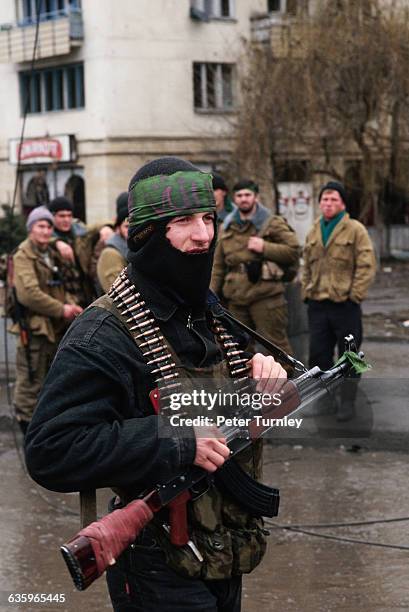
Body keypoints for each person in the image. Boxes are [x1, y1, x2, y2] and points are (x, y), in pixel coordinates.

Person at [25, 158, 286, 612]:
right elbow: (51, 448)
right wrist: (178, 441)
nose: (204, 235)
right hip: (155, 560)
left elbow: (232, 401)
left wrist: (260, 373)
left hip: (223, 551)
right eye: (183, 221)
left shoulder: (208, 316)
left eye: (207, 218)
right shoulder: (104, 335)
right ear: (145, 234)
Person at [301, 181, 376, 419]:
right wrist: (306, 291)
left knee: (350, 357)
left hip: (345, 306)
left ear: (342, 203)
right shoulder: (314, 229)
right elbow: (306, 266)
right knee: (318, 357)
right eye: (325, 199)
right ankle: (325, 402)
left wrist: (354, 296)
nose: (328, 203)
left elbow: (366, 265)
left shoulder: (355, 229)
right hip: (318, 306)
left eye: (334, 199)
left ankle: (347, 403)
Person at [11, 206, 83, 434]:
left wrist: (72, 304)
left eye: (48, 226)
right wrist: (62, 309)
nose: (45, 231)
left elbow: (64, 284)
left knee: (53, 384)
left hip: (57, 330)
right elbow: (28, 293)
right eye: (40, 226)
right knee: (30, 387)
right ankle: (28, 435)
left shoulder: (51, 253)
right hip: (35, 331)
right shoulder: (23, 256)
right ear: (31, 228)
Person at [211, 179, 300, 354]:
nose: (243, 199)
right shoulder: (228, 227)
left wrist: (265, 247)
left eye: (247, 195)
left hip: (266, 297)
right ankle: (248, 383)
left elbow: (294, 251)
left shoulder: (272, 222)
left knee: (276, 348)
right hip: (236, 298)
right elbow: (218, 266)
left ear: (256, 197)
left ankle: (286, 381)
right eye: (239, 195)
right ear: (234, 199)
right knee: (239, 350)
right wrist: (211, 297)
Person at [48, 196, 114, 307]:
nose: (66, 220)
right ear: (52, 217)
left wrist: (105, 227)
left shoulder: (78, 231)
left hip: (84, 291)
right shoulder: (46, 234)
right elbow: (36, 240)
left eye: (69, 215)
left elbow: (93, 227)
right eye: (62, 216)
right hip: (61, 295)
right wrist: (56, 242)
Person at [97, 192, 129, 292]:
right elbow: (119, 293)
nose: (132, 230)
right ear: (118, 228)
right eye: (127, 226)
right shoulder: (111, 253)